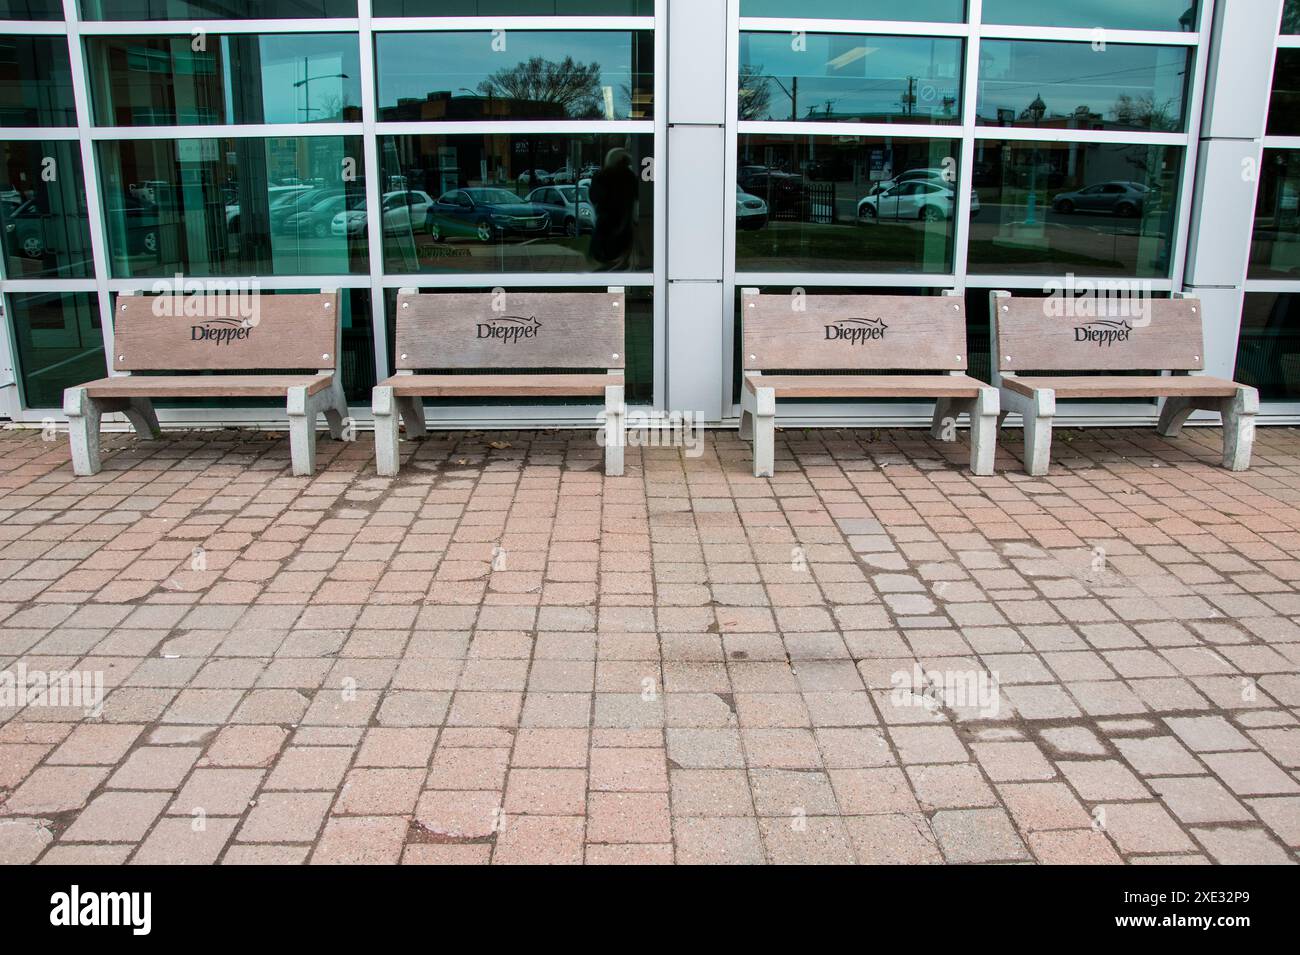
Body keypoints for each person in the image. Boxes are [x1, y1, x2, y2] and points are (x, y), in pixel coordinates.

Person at [588, 147, 639, 271]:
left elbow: (594, 197)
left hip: (608, 220)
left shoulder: (602, 176)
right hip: (621, 220)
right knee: (617, 248)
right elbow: (636, 197)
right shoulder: (629, 177)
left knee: (606, 248)